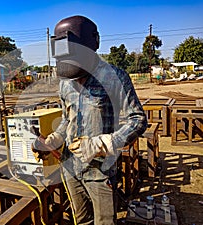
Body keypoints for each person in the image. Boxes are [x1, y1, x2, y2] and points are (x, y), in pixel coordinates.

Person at [32, 15, 147, 225]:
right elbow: (68, 119)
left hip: (100, 171)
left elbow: (137, 119)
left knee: (104, 222)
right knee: (81, 220)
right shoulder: (65, 83)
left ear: (92, 44)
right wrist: (55, 140)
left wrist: (103, 143)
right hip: (70, 167)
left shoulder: (115, 77)